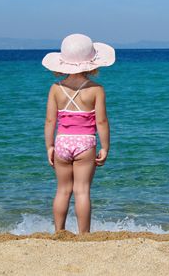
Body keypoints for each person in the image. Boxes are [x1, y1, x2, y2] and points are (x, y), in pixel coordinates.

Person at [42, 33, 115, 234]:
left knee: (63, 191)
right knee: (82, 191)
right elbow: (101, 121)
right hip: (85, 143)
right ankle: (84, 235)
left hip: (62, 142)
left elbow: (50, 120)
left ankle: (59, 232)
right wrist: (105, 147)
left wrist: (49, 146)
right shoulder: (96, 89)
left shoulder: (56, 89)